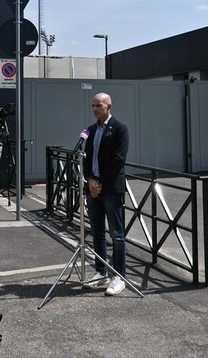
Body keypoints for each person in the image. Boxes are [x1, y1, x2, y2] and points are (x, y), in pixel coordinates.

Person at [82, 92, 130, 296]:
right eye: (93, 105)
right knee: (97, 232)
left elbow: (119, 159)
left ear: (109, 106)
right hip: (93, 187)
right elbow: (85, 158)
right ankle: (101, 272)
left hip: (110, 188)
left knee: (116, 234)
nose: (95, 109)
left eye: (99, 105)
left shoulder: (119, 128)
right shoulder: (91, 130)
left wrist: (100, 182)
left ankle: (119, 276)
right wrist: (90, 180)